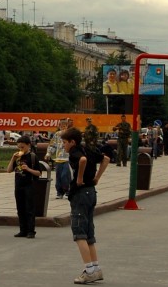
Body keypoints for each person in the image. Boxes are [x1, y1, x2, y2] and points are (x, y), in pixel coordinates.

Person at [62, 126, 110, 284]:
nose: (63, 145)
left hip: (81, 194)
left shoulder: (76, 152)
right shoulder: (87, 149)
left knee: (79, 233)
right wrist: (97, 178)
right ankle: (95, 268)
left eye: (64, 142)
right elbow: (106, 159)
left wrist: (79, 179)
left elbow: (82, 161)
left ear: (72, 142)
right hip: (91, 192)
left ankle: (88, 271)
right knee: (89, 234)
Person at [7, 135, 40, 239]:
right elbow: (8, 170)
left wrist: (29, 169)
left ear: (28, 145)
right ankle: (22, 230)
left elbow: (39, 173)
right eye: (19, 147)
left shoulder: (33, 157)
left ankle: (31, 231)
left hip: (29, 185)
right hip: (18, 185)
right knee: (20, 208)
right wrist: (13, 158)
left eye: (22, 147)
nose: (20, 149)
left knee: (29, 209)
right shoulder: (17, 157)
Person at [46, 118, 73, 198]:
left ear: (67, 126)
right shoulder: (57, 134)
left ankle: (67, 191)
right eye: (61, 125)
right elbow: (52, 145)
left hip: (67, 159)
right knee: (58, 176)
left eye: (64, 125)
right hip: (58, 159)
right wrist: (48, 153)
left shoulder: (70, 135)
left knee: (65, 175)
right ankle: (59, 192)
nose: (62, 127)